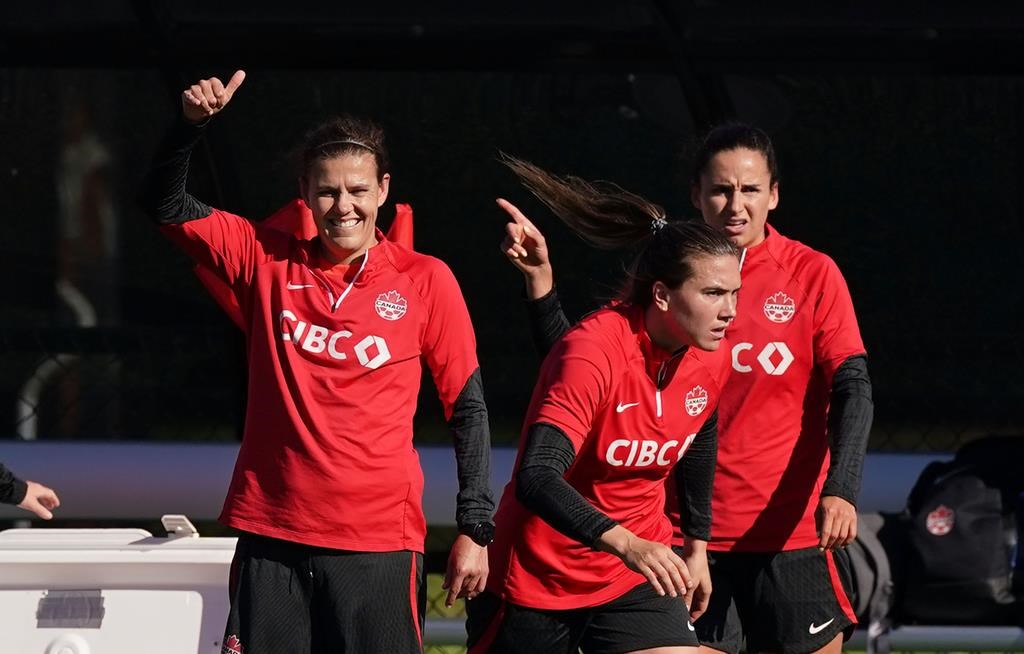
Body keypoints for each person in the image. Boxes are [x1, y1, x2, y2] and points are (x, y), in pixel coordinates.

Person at [139, 70, 495, 654]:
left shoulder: (428, 280)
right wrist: (188, 128)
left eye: (357, 190)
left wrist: (475, 527)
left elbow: (469, 408)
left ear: (383, 189)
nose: (343, 206)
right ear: (304, 193)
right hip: (271, 534)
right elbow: (163, 204)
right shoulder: (263, 256)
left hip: (379, 541)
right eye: (327, 191)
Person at [502, 123, 873, 654]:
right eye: (721, 189)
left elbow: (853, 385)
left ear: (774, 194)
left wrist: (842, 486)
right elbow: (580, 367)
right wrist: (541, 289)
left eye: (750, 189)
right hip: (675, 536)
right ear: (696, 195)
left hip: (788, 532)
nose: (735, 205)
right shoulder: (674, 279)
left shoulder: (808, 276)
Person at [467, 156, 740, 654]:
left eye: (734, 293)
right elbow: (537, 477)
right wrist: (628, 544)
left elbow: (699, 438)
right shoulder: (597, 347)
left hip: (631, 576)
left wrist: (696, 547)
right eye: (714, 293)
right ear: (661, 295)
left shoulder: (711, 354)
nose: (730, 310)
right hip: (539, 577)